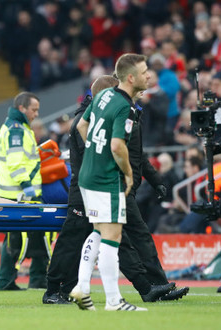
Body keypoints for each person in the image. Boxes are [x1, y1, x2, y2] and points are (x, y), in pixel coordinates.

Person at [44, 75, 188, 305]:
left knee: (117, 241)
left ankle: (147, 287)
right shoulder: (90, 120)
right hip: (87, 193)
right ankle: (54, 289)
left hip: (104, 190)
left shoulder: (101, 118)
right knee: (75, 241)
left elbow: (133, 153)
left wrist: (149, 178)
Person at [71, 53, 150, 311]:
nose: (149, 75)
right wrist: (128, 173)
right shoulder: (124, 107)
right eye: (145, 71)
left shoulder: (103, 95)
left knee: (98, 230)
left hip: (88, 175)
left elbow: (81, 125)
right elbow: (117, 146)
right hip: (106, 178)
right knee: (112, 236)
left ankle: (82, 287)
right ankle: (114, 301)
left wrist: (94, 151)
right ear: (131, 77)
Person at [0, 91, 47, 291]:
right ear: (22, 108)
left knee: (31, 236)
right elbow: (17, 165)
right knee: (19, 238)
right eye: (34, 110)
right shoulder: (17, 130)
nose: (36, 114)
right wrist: (29, 190)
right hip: (20, 195)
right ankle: (8, 281)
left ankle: (30, 279)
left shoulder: (15, 127)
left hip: (16, 194)